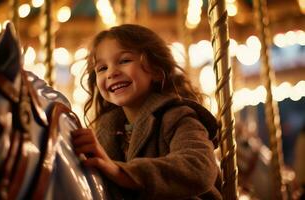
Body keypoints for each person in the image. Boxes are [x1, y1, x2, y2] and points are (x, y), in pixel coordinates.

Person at [71, 24, 222, 199]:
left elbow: (199, 168)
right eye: (102, 68)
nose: (111, 72)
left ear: (157, 71)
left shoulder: (178, 117)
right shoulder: (107, 131)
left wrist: (121, 172)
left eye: (124, 60)